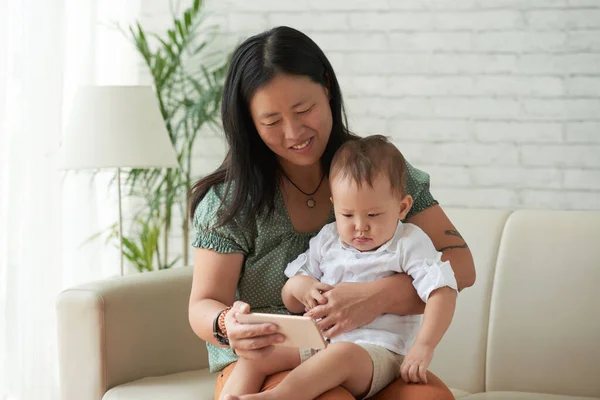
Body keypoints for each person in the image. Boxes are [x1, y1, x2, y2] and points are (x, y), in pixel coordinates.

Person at [188, 26, 475, 400]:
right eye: (271, 122)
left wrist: (376, 297)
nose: (294, 132)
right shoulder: (229, 201)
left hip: (366, 350)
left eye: (304, 109)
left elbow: (461, 266)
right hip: (272, 358)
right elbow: (203, 304)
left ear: (327, 87)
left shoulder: (376, 173)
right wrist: (228, 324)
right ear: (248, 122)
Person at [218, 135, 459, 400]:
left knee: (341, 355)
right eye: (347, 215)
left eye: (373, 215)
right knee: (258, 355)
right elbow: (291, 298)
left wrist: (424, 346)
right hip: (321, 344)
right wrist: (303, 287)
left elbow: (442, 290)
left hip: (377, 354)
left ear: (402, 207)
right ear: (334, 207)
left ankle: (279, 397)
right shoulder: (329, 239)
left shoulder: (408, 242)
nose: (360, 226)